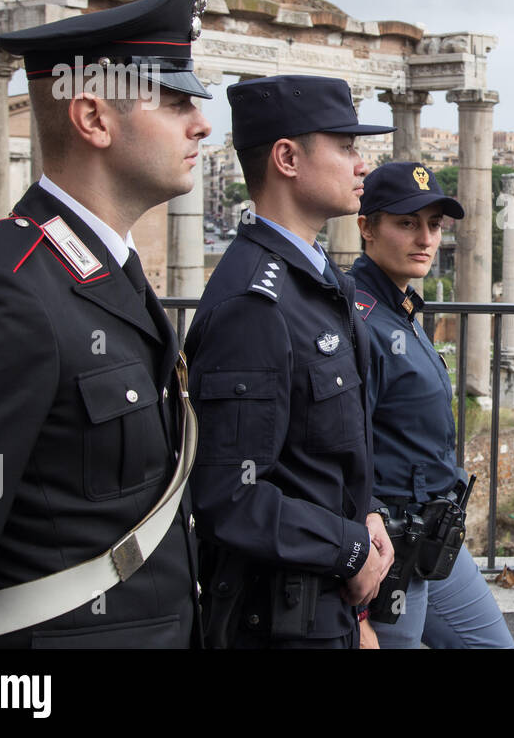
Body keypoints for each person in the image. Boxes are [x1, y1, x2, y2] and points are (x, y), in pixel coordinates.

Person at [0, 0, 213, 647]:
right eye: (170, 99)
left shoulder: (111, 274)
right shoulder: (5, 295)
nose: (202, 120)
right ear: (93, 117)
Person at [185, 75, 394, 648]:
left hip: (326, 603)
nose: (362, 166)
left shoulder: (319, 280)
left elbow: (323, 452)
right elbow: (229, 495)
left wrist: (367, 515)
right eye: (347, 146)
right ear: (287, 158)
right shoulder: (254, 304)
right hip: (282, 621)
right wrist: (349, 548)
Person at [351, 161, 514, 649]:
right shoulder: (359, 321)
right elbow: (341, 451)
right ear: (367, 228)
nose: (425, 238)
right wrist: (359, 612)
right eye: (406, 223)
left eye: (434, 225)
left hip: (435, 533)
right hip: (390, 544)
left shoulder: (400, 310)